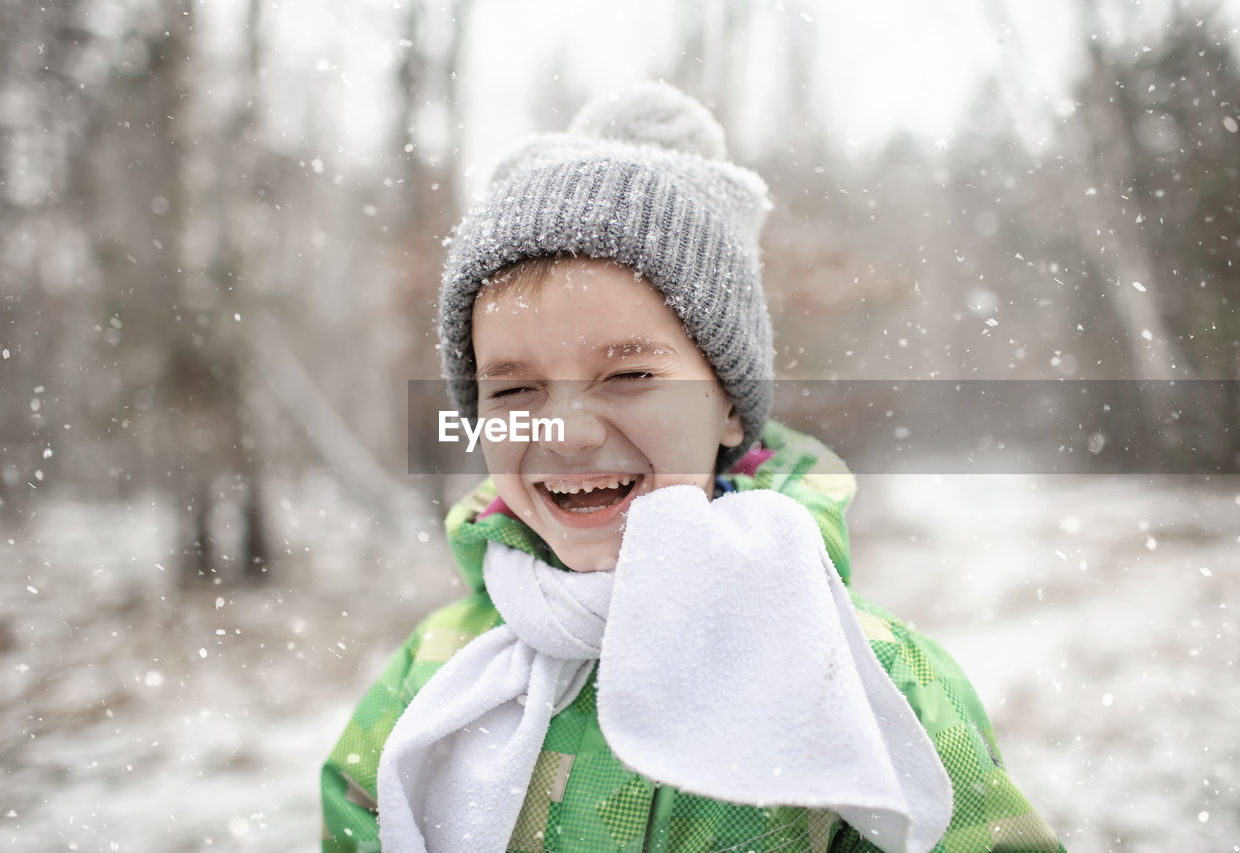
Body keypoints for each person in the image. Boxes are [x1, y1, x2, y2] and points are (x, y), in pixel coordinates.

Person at [320, 82, 1065, 853]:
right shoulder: (440, 672)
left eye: (631, 376)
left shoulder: (858, 673)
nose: (570, 433)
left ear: (730, 407)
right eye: (514, 388)